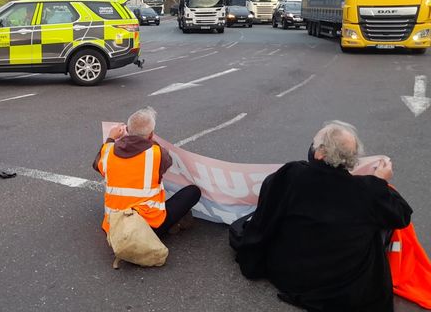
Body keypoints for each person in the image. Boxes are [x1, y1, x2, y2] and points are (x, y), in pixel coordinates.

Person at [235, 121, 413, 312]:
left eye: (314, 143)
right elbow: (402, 216)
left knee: (242, 224)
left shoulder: (292, 174)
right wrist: (379, 183)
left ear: (320, 153)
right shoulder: (367, 190)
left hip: (289, 274)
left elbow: (266, 211)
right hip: (344, 289)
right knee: (383, 217)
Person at [93, 107, 202, 236]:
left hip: (115, 226)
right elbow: (167, 162)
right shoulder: (157, 153)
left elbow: (97, 164)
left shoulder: (108, 152)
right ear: (151, 134)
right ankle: (174, 224)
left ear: (127, 130)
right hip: (148, 228)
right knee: (193, 191)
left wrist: (111, 138)